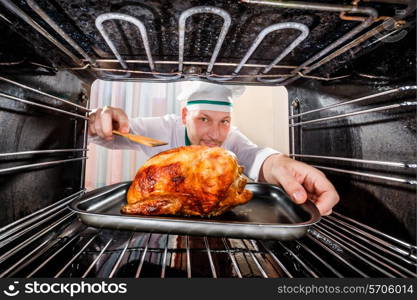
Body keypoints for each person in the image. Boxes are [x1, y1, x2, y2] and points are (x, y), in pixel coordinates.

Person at [88, 82, 339, 215]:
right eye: (204, 119)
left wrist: (281, 164)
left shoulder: (231, 140)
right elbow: (110, 137)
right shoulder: (161, 128)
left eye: (224, 121)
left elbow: (257, 157)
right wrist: (96, 122)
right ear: (185, 114)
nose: (215, 135)